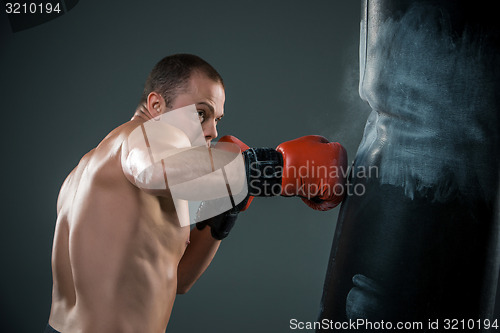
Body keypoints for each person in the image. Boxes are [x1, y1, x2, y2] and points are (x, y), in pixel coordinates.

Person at [47, 54, 347, 333]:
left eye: (216, 119)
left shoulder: (89, 171)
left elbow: (177, 280)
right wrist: (270, 168)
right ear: (156, 106)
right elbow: (150, 170)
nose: (212, 132)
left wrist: (222, 213)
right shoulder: (144, 137)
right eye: (201, 113)